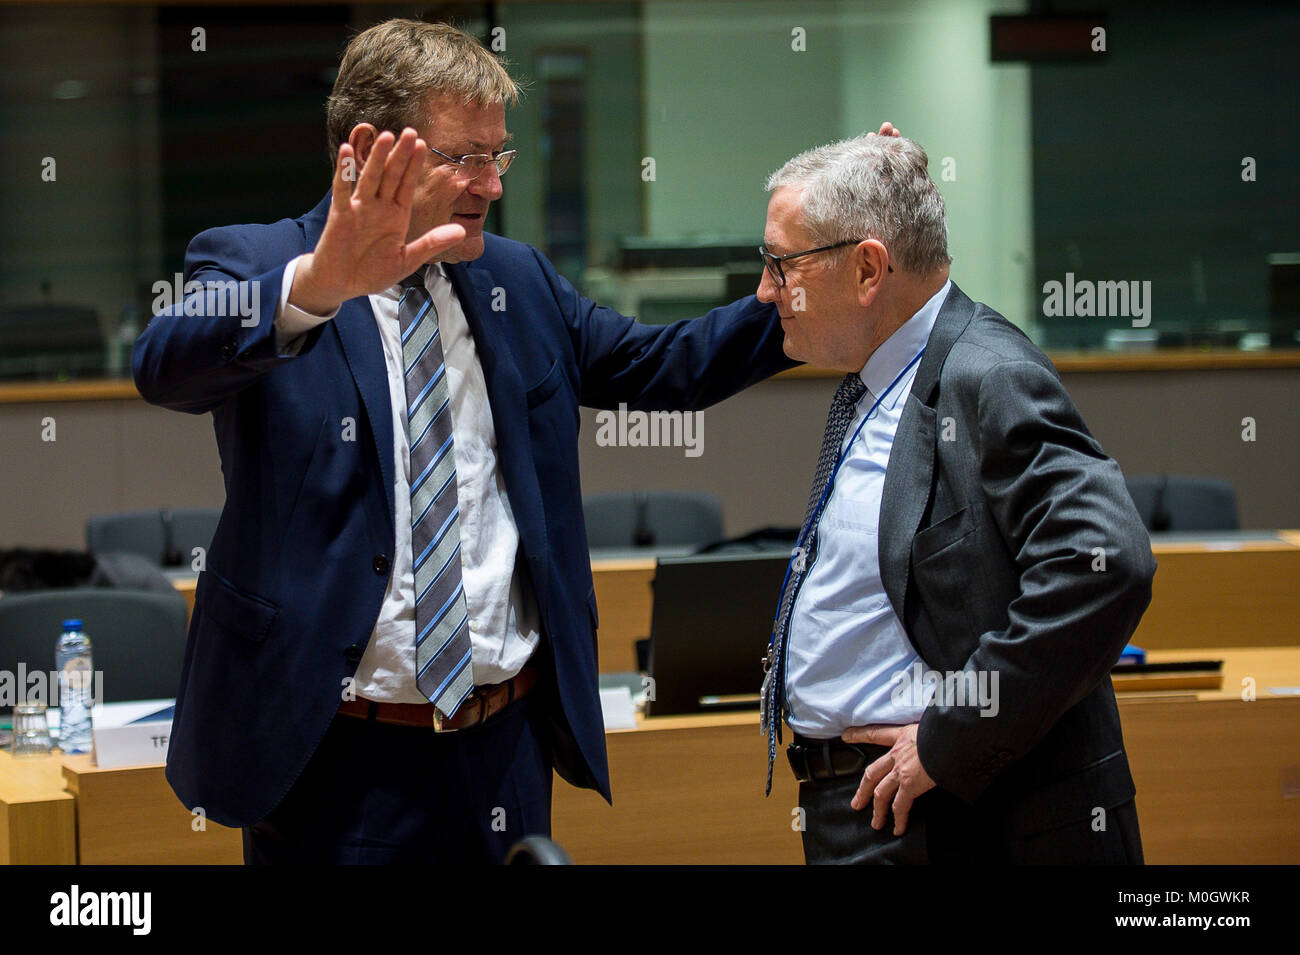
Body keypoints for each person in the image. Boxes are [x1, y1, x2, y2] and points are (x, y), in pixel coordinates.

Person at [132, 18, 799, 864]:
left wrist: (802, 280)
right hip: (330, 756)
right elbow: (164, 361)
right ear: (367, 152)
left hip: (503, 747)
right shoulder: (261, 261)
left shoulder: (514, 279)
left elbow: (662, 366)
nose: (491, 183)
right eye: (464, 157)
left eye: (500, 155)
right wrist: (320, 285)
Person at [755, 133, 1155, 864]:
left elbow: (1106, 564)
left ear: (869, 268)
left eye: (782, 265)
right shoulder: (873, 382)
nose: (764, 290)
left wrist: (951, 736)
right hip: (862, 809)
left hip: (966, 815)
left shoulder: (989, 374)